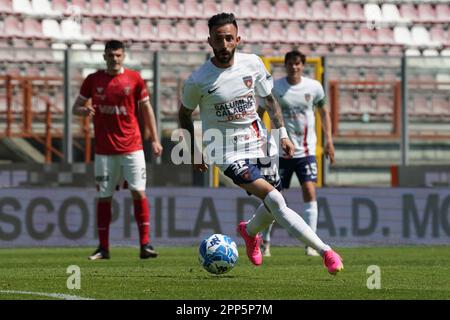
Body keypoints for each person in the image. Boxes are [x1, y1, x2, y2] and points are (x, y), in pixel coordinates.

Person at [178, 13, 343, 275]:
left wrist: (283, 134)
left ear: (238, 39)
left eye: (229, 38)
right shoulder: (198, 80)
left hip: (259, 144)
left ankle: (250, 231)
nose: (224, 45)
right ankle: (326, 251)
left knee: (273, 203)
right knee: (276, 199)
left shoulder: (253, 64)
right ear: (209, 41)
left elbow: (269, 101)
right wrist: (194, 150)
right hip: (225, 151)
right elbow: (184, 114)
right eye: (218, 39)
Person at [72, 40, 163, 260]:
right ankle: (103, 248)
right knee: (104, 196)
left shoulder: (134, 79)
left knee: (138, 191)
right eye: (111, 55)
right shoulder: (93, 80)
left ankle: (145, 245)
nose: (115, 59)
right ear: (104, 57)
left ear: (124, 57)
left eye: (118, 55)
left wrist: (155, 138)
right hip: (104, 150)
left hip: (133, 147)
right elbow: (76, 107)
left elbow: (146, 108)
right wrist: (84, 111)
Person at [259, 50, 335, 257]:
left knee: (310, 191)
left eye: (298, 64)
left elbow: (324, 113)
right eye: (291, 64)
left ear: (303, 66)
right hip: (281, 153)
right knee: (273, 197)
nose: (294, 67)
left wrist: (329, 140)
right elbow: (261, 110)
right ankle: (264, 241)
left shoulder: (314, 88)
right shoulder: (276, 87)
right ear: (286, 65)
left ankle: (310, 243)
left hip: (307, 152)